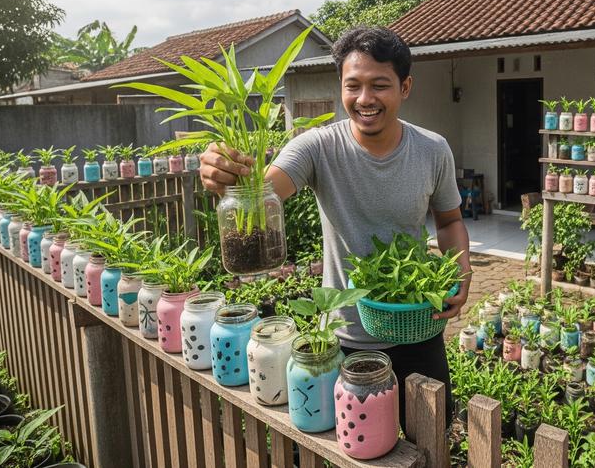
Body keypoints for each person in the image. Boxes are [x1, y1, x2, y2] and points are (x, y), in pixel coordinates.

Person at [199, 25, 471, 427]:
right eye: (353, 85)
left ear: (405, 86)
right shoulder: (316, 147)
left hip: (417, 323)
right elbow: (265, 193)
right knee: (350, 446)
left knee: (429, 438)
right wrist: (226, 177)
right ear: (340, 86)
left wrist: (461, 271)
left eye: (380, 85)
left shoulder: (432, 149)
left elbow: (449, 221)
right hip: (344, 338)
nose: (365, 99)